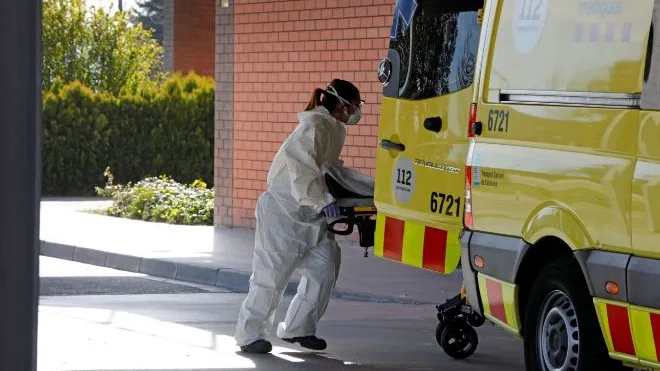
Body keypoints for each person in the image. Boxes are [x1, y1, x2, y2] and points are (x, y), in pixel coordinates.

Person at [234, 79, 373, 354]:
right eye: (355, 105)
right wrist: (322, 201)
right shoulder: (315, 126)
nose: (357, 110)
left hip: (310, 216)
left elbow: (330, 171)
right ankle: (249, 335)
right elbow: (302, 169)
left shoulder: (333, 128)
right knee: (270, 277)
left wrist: (367, 191)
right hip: (283, 215)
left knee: (325, 267)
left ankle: (299, 328)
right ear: (340, 104)